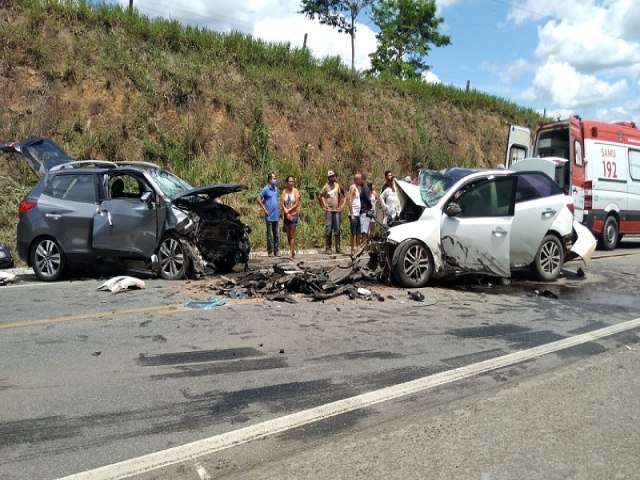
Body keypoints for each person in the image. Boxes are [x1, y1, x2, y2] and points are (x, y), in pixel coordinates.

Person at [318, 170, 346, 254]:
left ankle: (338, 247)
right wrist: (323, 206)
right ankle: (328, 247)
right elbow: (320, 196)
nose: (334, 177)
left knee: (337, 229)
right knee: (328, 228)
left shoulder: (338, 185)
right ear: (329, 178)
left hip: (336, 210)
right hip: (329, 210)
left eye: (334, 176)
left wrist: (342, 206)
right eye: (332, 176)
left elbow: (345, 195)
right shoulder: (326, 187)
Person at [256, 172, 279, 256]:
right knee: (270, 235)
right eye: (274, 178)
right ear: (270, 179)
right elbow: (258, 198)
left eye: (275, 178)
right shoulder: (265, 189)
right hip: (269, 215)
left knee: (276, 234)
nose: (275, 180)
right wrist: (264, 209)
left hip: (276, 215)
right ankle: (270, 251)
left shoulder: (275, 189)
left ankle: (276, 250)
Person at [281, 176, 300, 259]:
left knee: (292, 234)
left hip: (293, 214)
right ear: (287, 182)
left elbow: (296, 203)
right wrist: (285, 209)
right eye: (290, 181)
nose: (291, 183)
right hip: (286, 215)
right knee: (288, 235)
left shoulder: (295, 191)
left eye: (292, 181)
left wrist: (289, 210)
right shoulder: (284, 191)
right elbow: (282, 202)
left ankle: (290, 253)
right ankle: (292, 250)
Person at [348, 173, 362, 255]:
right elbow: (350, 201)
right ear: (357, 180)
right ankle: (352, 249)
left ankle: (357, 248)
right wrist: (352, 214)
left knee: (358, 232)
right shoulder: (353, 188)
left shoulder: (357, 188)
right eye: (360, 179)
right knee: (353, 232)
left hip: (358, 214)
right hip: (354, 214)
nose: (361, 180)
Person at [358, 173, 373, 250]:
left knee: (364, 231)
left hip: (365, 212)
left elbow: (368, 199)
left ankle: (365, 248)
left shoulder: (365, 188)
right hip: (364, 211)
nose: (358, 181)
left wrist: (370, 207)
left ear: (362, 179)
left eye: (359, 179)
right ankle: (365, 247)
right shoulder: (363, 188)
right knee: (364, 230)